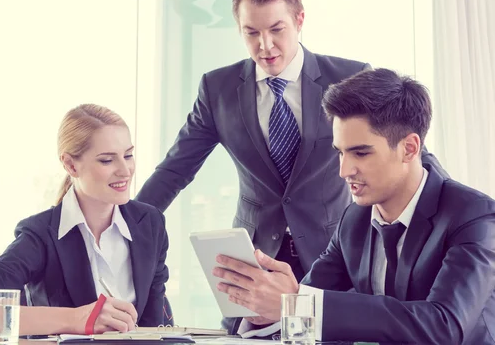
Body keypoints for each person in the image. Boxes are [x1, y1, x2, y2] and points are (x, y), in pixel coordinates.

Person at [135, 0, 444, 331]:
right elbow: (176, 169)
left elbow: (411, 149)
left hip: (334, 255)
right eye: (251, 32)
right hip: (258, 258)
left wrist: (448, 211)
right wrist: (127, 225)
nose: (264, 45)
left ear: (299, 19)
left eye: (276, 29)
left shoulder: (348, 76)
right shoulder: (217, 89)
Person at [212, 68, 495, 344]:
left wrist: (299, 304)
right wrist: (267, 307)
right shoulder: (354, 219)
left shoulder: (473, 216)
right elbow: (305, 302)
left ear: (409, 148)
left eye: (361, 153)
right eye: (340, 153)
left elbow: (443, 326)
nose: (344, 170)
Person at [0, 104, 172, 336]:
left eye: (128, 155)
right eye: (107, 160)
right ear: (70, 164)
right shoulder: (41, 235)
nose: (125, 170)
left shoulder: (150, 224)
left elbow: (153, 329)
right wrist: (78, 318)